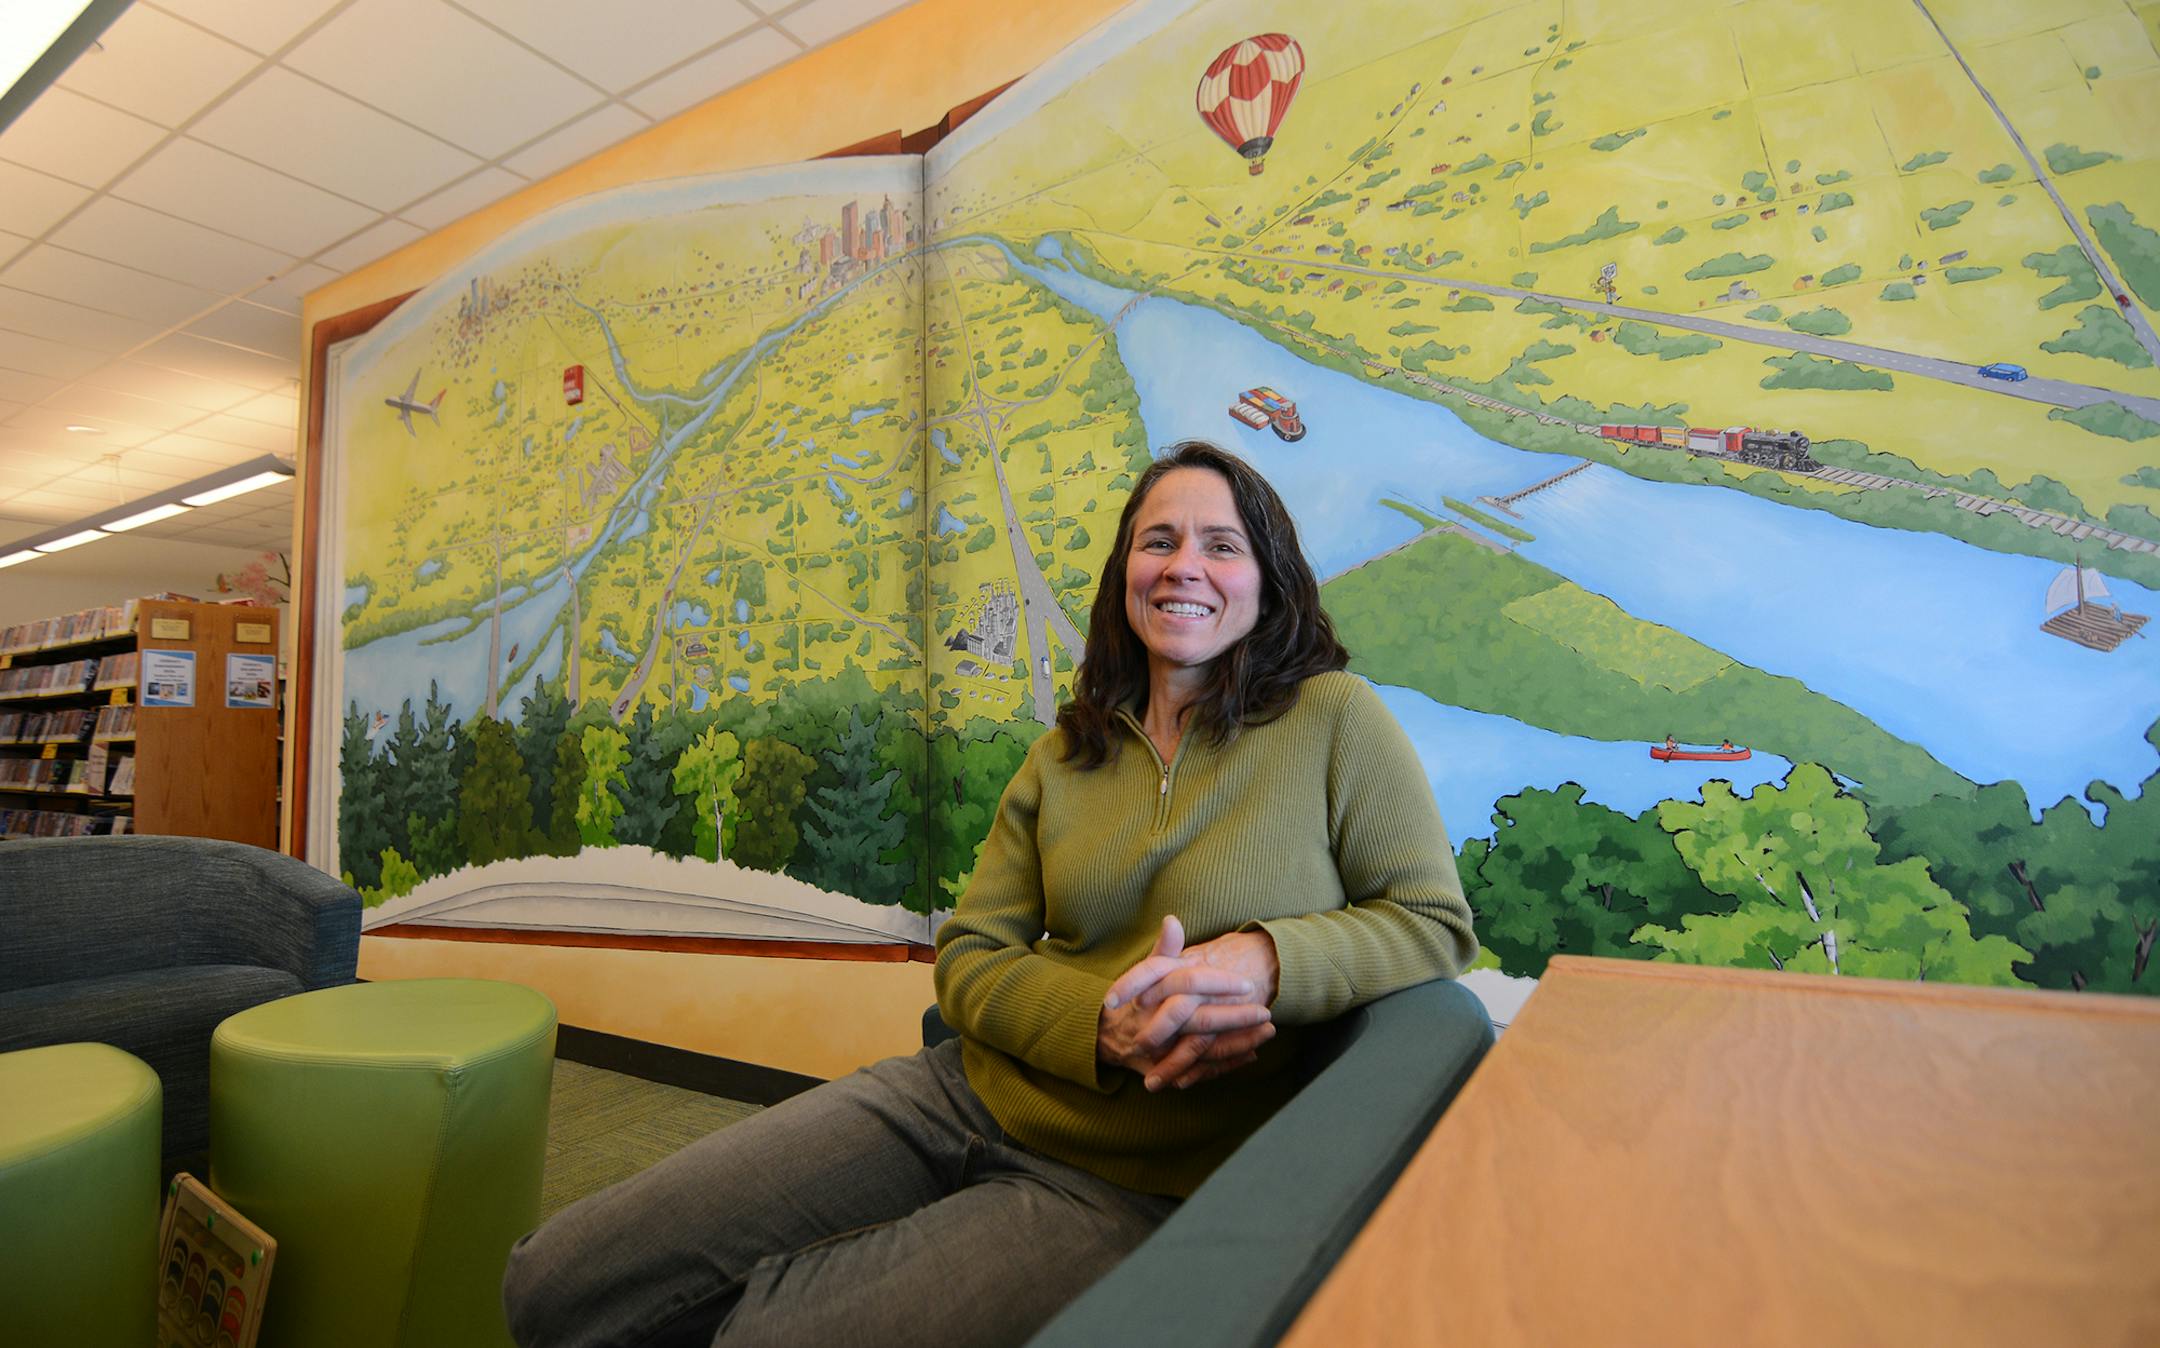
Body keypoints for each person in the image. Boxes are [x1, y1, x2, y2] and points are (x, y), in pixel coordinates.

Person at [502, 440, 1476, 1348]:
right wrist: (1098, 1019)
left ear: (1267, 582)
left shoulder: (1336, 719)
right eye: (1158, 541)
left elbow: (1432, 923)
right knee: (554, 1280)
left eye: (1222, 545)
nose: (1184, 564)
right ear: (1125, 577)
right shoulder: (1065, 751)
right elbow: (969, 956)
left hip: (1126, 1188)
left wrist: (1264, 960)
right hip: (961, 1092)